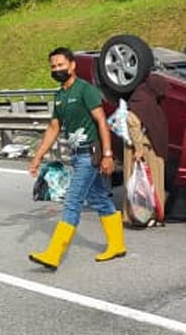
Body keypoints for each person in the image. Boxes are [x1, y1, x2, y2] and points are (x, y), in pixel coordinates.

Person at [27, 47, 125, 270]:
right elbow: (54, 127)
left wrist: (108, 155)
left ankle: (54, 253)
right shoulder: (60, 96)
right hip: (76, 154)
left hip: (89, 154)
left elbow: (102, 122)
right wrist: (38, 156)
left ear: (72, 65)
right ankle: (117, 244)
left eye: (61, 65)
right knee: (99, 198)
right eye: (53, 66)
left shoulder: (85, 90)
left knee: (72, 201)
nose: (57, 69)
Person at [122, 77, 169, 226]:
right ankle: (145, 215)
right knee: (144, 182)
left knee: (144, 183)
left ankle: (148, 214)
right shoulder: (142, 103)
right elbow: (133, 125)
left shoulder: (147, 101)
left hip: (149, 148)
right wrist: (139, 148)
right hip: (142, 150)